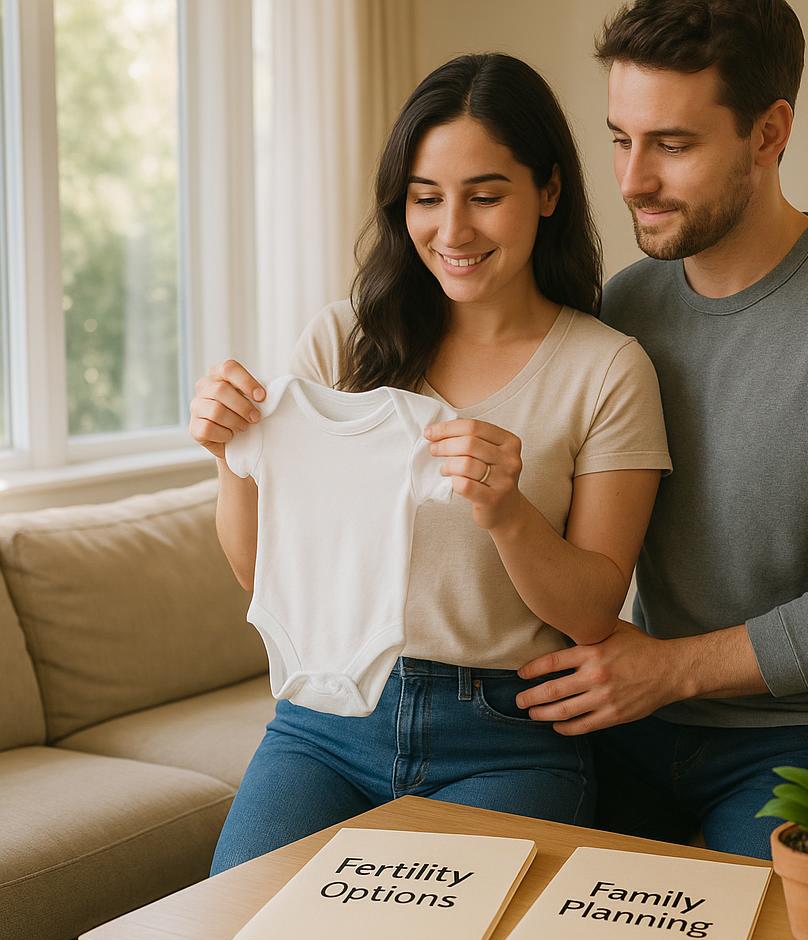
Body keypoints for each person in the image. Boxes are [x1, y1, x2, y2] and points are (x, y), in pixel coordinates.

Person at [190, 53, 672, 875]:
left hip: (503, 739)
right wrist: (231, 455)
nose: (452, 231)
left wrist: (508, 513)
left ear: (548, 193)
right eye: (425, 199)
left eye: (485, 196)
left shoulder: (607, 368)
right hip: (326, 723)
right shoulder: (343, 339)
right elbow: (259, 572)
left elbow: (594, 611)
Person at [513, 0, 808, 859]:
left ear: (769, 133)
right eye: (621, 138)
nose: (632, 180)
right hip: (643, 717)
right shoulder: (624, 307)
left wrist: (668, 669)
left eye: (673, 145)